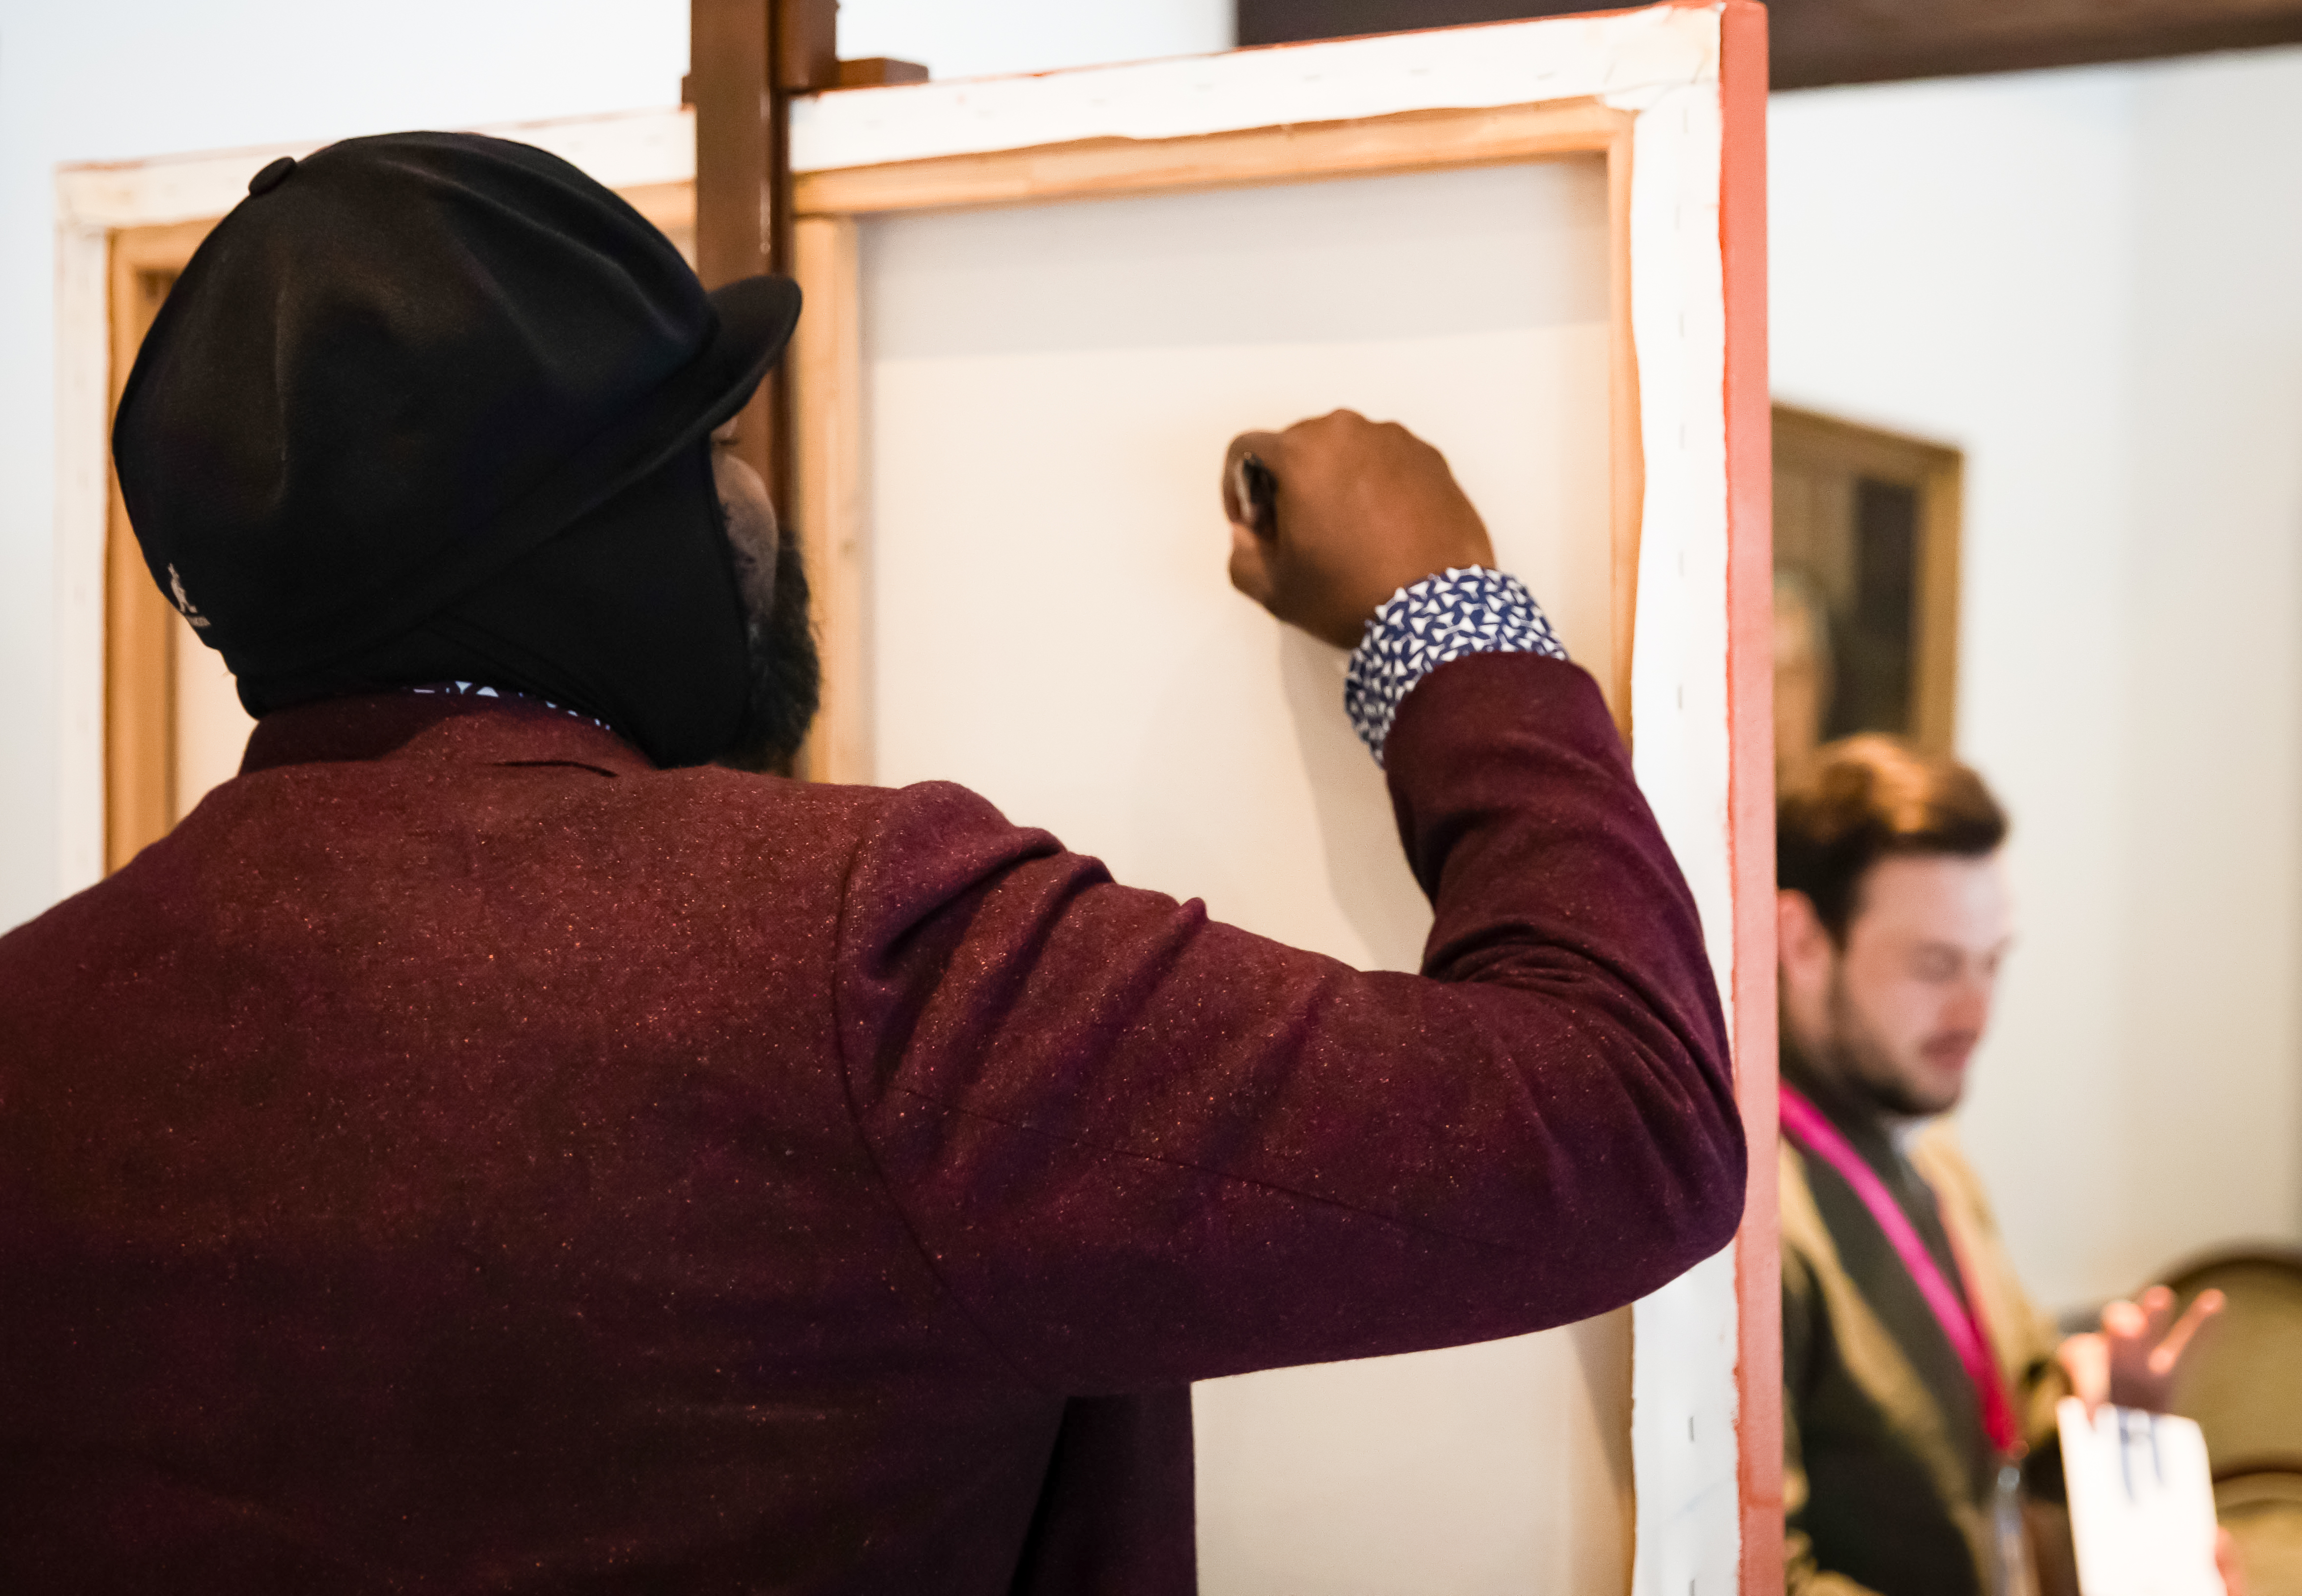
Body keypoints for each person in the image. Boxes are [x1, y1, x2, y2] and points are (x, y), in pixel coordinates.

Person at [0, 131, 1745, 1594]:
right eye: (713, 447)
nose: (749, 498)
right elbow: (1621, 1121)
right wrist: (1441, 624)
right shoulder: (852, 963)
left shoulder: (34, 1022)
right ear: (604, 534)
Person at [1778, 735, 2233, 1596]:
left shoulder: (1935, 1152)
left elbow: (2007, 1404)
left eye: (1994, 961)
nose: (1978, 1012)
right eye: (1935, 965)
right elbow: (1769, 1576)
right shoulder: (1744, 1211)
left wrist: (2097, 1412)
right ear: (1801, 940)